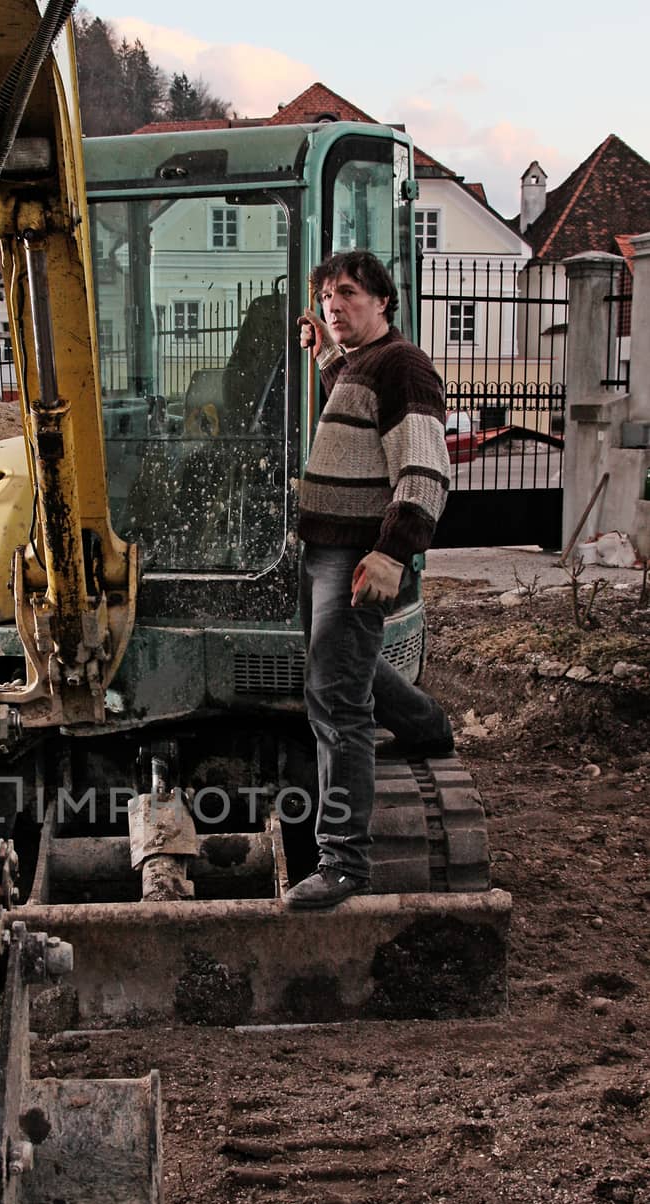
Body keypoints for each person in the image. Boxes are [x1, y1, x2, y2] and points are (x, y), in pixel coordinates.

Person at [286, 249, 454, 910]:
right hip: (326, 549)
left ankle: (342, 863)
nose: (334, 305)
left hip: (358, 553)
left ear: (384, 300)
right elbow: (354, 416)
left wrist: (392, 552)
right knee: (345, 668)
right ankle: (424, 726)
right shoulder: (361, 365)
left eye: (348, 293)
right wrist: (323, 354)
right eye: (327, 296)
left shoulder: (403, 366)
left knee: (335, 699)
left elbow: (423, 467)